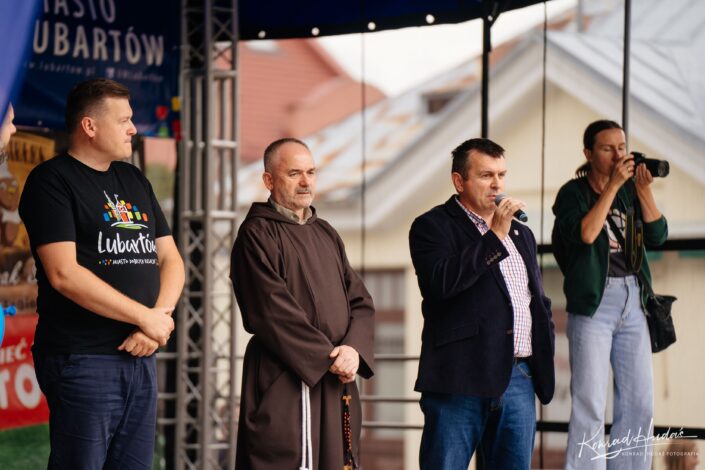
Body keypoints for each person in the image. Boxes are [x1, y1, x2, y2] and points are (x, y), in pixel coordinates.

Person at [18, 78, 184, 469]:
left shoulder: (134, 179)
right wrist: (145, 317)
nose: (133, 129)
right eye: (124, 120)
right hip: (84, 358)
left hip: (142, 353)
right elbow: (63, 274)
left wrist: (156, 321)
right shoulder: (52, 181)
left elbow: (172, 259)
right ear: (89, 126)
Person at [409, 138, 555, 470]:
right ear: (459, 181)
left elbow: (535, 300)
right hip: (459, 379)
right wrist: (494, 237)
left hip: (518, 377)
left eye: (501, 175)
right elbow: (442, 284)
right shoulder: (431, 226)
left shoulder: (522, 234)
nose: (497, 184)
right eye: (486, 175)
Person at [230, 137, 375, 470]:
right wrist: (328, 357)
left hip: (336, 376)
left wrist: (352, 349)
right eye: (294, 173)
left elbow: (360, 300)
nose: (306, 182)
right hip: (287, 378)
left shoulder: (326, 232)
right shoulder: (256, 235)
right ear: (269, 180)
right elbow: (271, 311)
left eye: (311, 172)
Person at [552, 120, 668, 469]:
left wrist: (643, 191)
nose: (618, 156)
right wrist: (613, 185)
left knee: (639, 402)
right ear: (588, 154)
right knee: (590, 401)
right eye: (608, 149)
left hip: (633, 299)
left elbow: (658, 235)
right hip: (594, 302)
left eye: (622, 147)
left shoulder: (631, 191)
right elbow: (587, 234)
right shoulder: (573, 193)